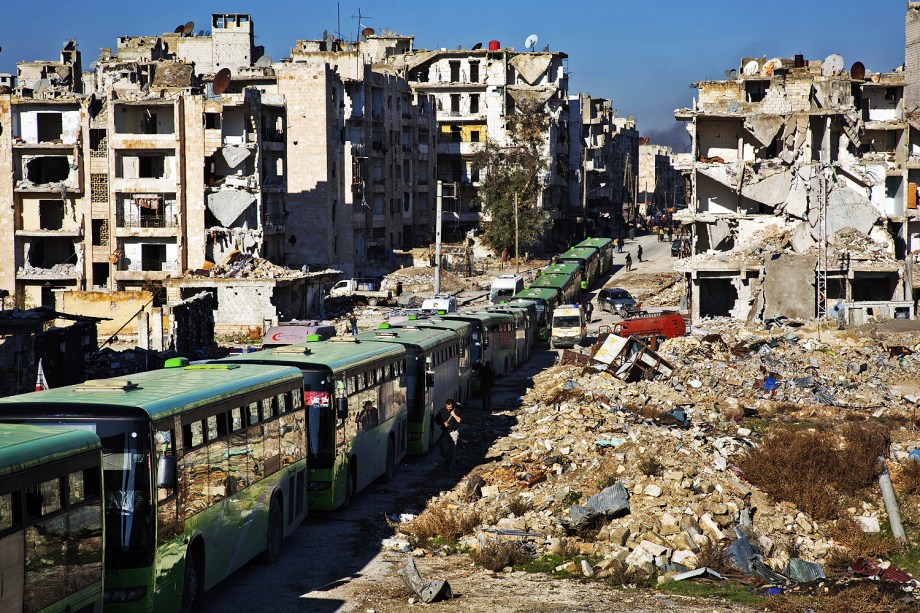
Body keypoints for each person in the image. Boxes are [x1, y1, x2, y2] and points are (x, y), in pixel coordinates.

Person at [438, 398, 461, 467]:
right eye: (447, 407)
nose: (449, 409)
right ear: (445, 405)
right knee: (442, 447)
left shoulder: (456, 411)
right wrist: (443, 423)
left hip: (453, 433)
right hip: (445, 432)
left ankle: (450, 466)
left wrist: (453, 415)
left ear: (452, 406)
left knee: (452, 450)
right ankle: (446, 458)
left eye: (450, 407)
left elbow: (459, 420)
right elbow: (437, 420)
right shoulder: (441, 411)